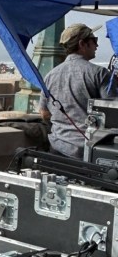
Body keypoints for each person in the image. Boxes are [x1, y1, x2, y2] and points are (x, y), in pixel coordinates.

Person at [39, 23, 116, 158]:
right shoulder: (99, 73)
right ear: (82, 44)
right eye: (94, 40)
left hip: (57, 149)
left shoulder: (50, 75)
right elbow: (113, 114)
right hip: (88, 152)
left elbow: (44, 113)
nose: (97, 46)